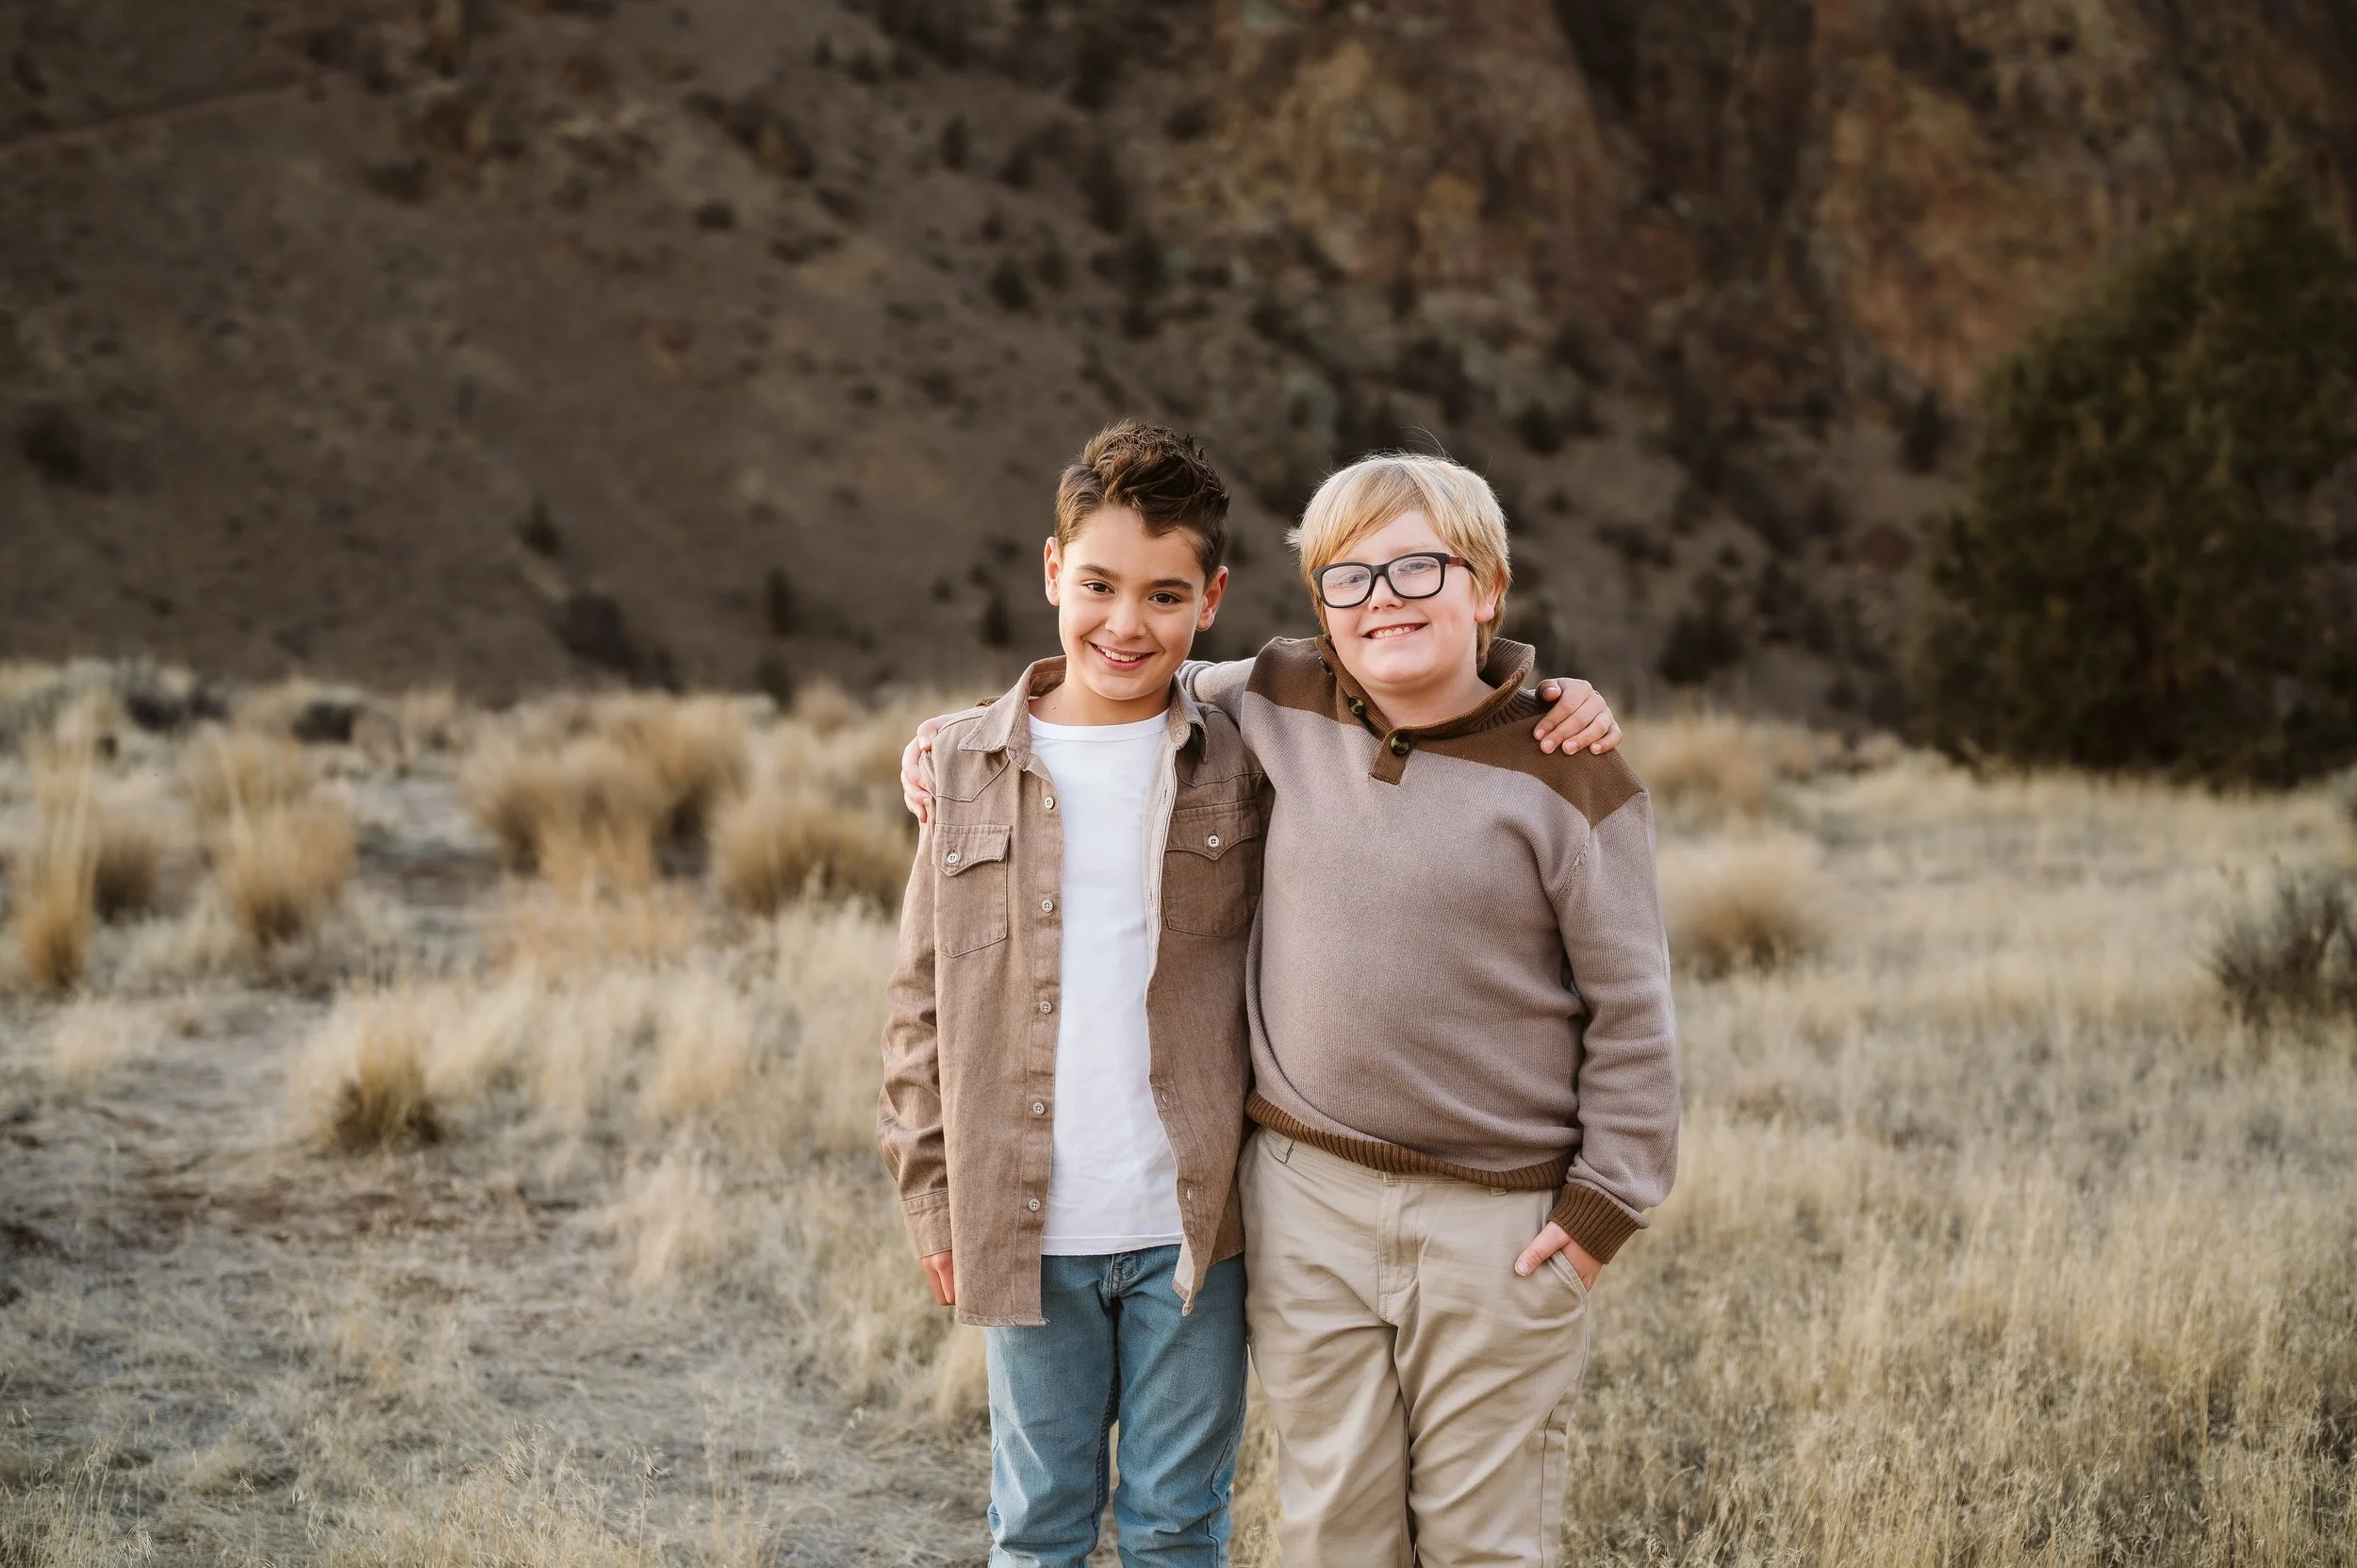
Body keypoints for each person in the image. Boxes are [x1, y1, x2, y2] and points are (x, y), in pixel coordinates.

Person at [901, 450, 1673, 1568]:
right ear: (1318, 610)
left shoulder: (1563, 769)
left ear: (1488, 588)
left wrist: (1604, 1208)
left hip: (1490, 1220)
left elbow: (1634, 1011)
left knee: (1478, 1536)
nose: (1385, 599)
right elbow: (1114, 682)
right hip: (1305, 1203)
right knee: (1328, 1529)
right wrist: (948, 735)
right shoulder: (1277, 697)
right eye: (1349, 579)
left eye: (1419, 569)